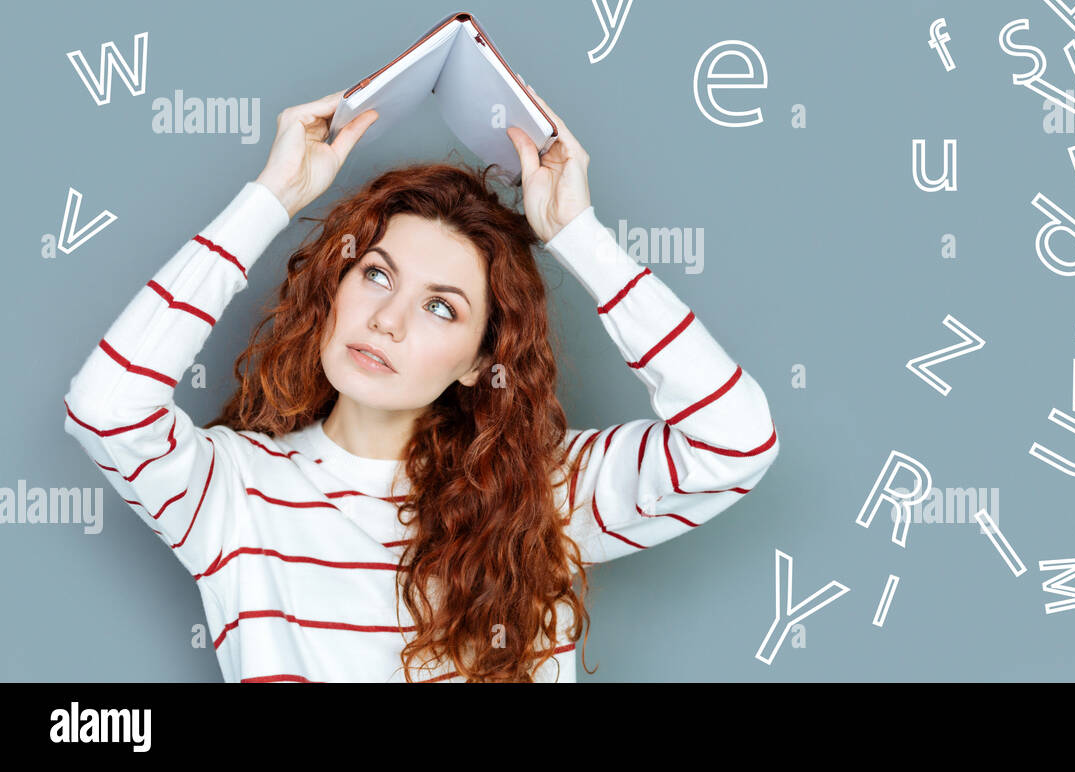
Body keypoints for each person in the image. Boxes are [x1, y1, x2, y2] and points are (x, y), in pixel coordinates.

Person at [61, 86, 780, 682]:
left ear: (478, 360)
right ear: (332, 289)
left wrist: (576, 233)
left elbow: (736, 442)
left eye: (442, 306)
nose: (388, 321)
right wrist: (270, 196)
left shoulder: (546, 494)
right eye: (376, 274)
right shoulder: (235, 492)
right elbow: (104, 410)